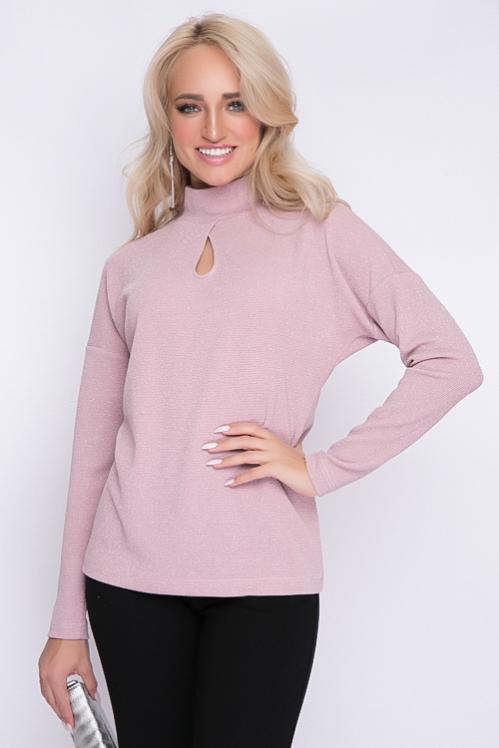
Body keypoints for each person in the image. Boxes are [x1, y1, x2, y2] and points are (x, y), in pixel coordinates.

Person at [38, 12, 483, 748]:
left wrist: (319, 468)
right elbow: (92, 450)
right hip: (128, 582)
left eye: (236, 102)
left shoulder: (324, 232)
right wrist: (65, 625)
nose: (214, 127)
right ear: (168, 120)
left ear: (268, 113)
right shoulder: (130, 266)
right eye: (191, 105)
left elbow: (449, 359)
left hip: (264, 584)